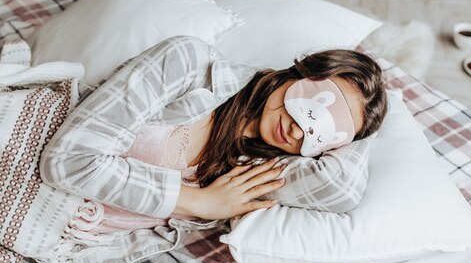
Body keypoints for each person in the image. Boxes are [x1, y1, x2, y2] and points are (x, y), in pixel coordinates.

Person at [39, 36, 388, 233]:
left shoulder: (255, 171)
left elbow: (342, 190)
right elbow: (69, 161)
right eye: (310, 108)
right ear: (303, 71)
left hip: (51, 234)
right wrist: (200, 202)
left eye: (321, 136)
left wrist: (363, 130)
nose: (299, 130)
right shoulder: (190, 66)